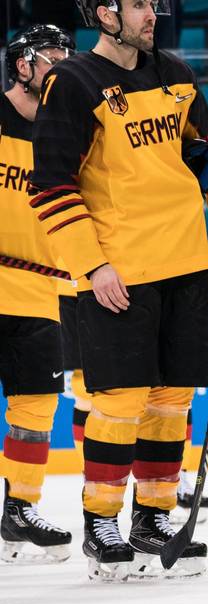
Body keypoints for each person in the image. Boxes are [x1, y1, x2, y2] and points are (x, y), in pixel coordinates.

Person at [31, 0, 208, 581]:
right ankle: (101, 521)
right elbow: (52, 185)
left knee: (170, 402)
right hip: (120, 272)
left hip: (184, 264)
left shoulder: (175, 73)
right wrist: (92, 265)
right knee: (119, 401)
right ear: (104, 13)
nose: (152, 14)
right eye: (138, 4)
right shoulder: (73, 81)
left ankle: (154, 517)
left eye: (152, 4)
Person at [0, 25, 75, 566]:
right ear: (22, 65)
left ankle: (19, 508)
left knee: (36, 404)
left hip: (41, 289)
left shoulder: (64, 131)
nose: (62, 66)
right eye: (51, 57)